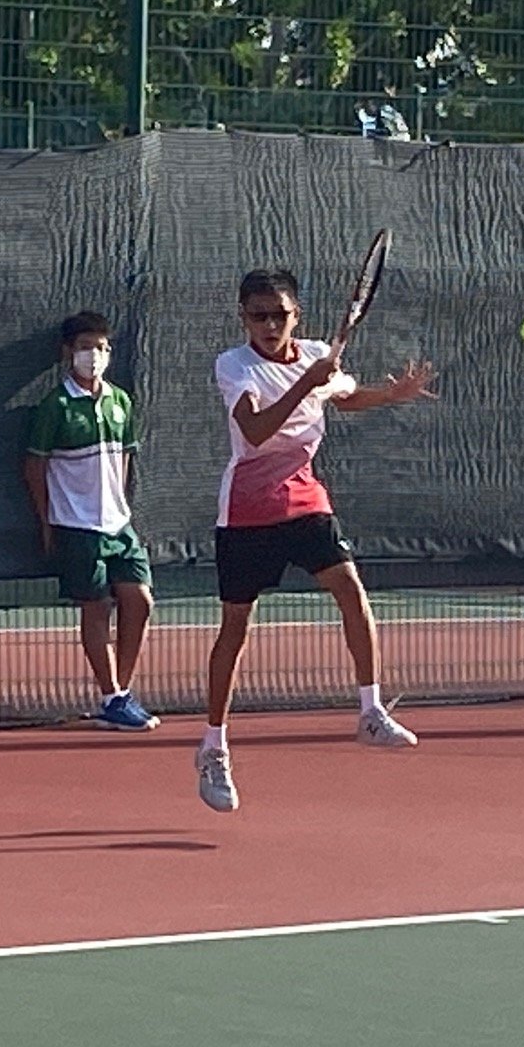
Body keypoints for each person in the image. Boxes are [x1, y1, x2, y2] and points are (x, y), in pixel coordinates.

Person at [196, 268, 436, 811]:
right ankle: (213, 745)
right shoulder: (235, 366)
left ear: (295, 315)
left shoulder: (315, 353)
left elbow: (342, 397)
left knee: (351, 590)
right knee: (235, 630)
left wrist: (391, 394)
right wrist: (308, 382)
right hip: (247, 513)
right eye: (258, 316)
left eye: (279, 315)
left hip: (304, 501)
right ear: (243, 319)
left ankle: (371, 711)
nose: (269, 325)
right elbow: (255, 433)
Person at [24, 311, 157, 730]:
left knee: (140, 601)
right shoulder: (55, 406)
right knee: (96, 607)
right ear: (68, 353)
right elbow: (34, 466)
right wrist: (47, 522)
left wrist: (121, 506)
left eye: (101, 348)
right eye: (85, 347)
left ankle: (121, 692)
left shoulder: (120, 401)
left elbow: (127, 459)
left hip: (120, 525)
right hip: (76, 526)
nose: (94, 356)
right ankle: (112, 696)